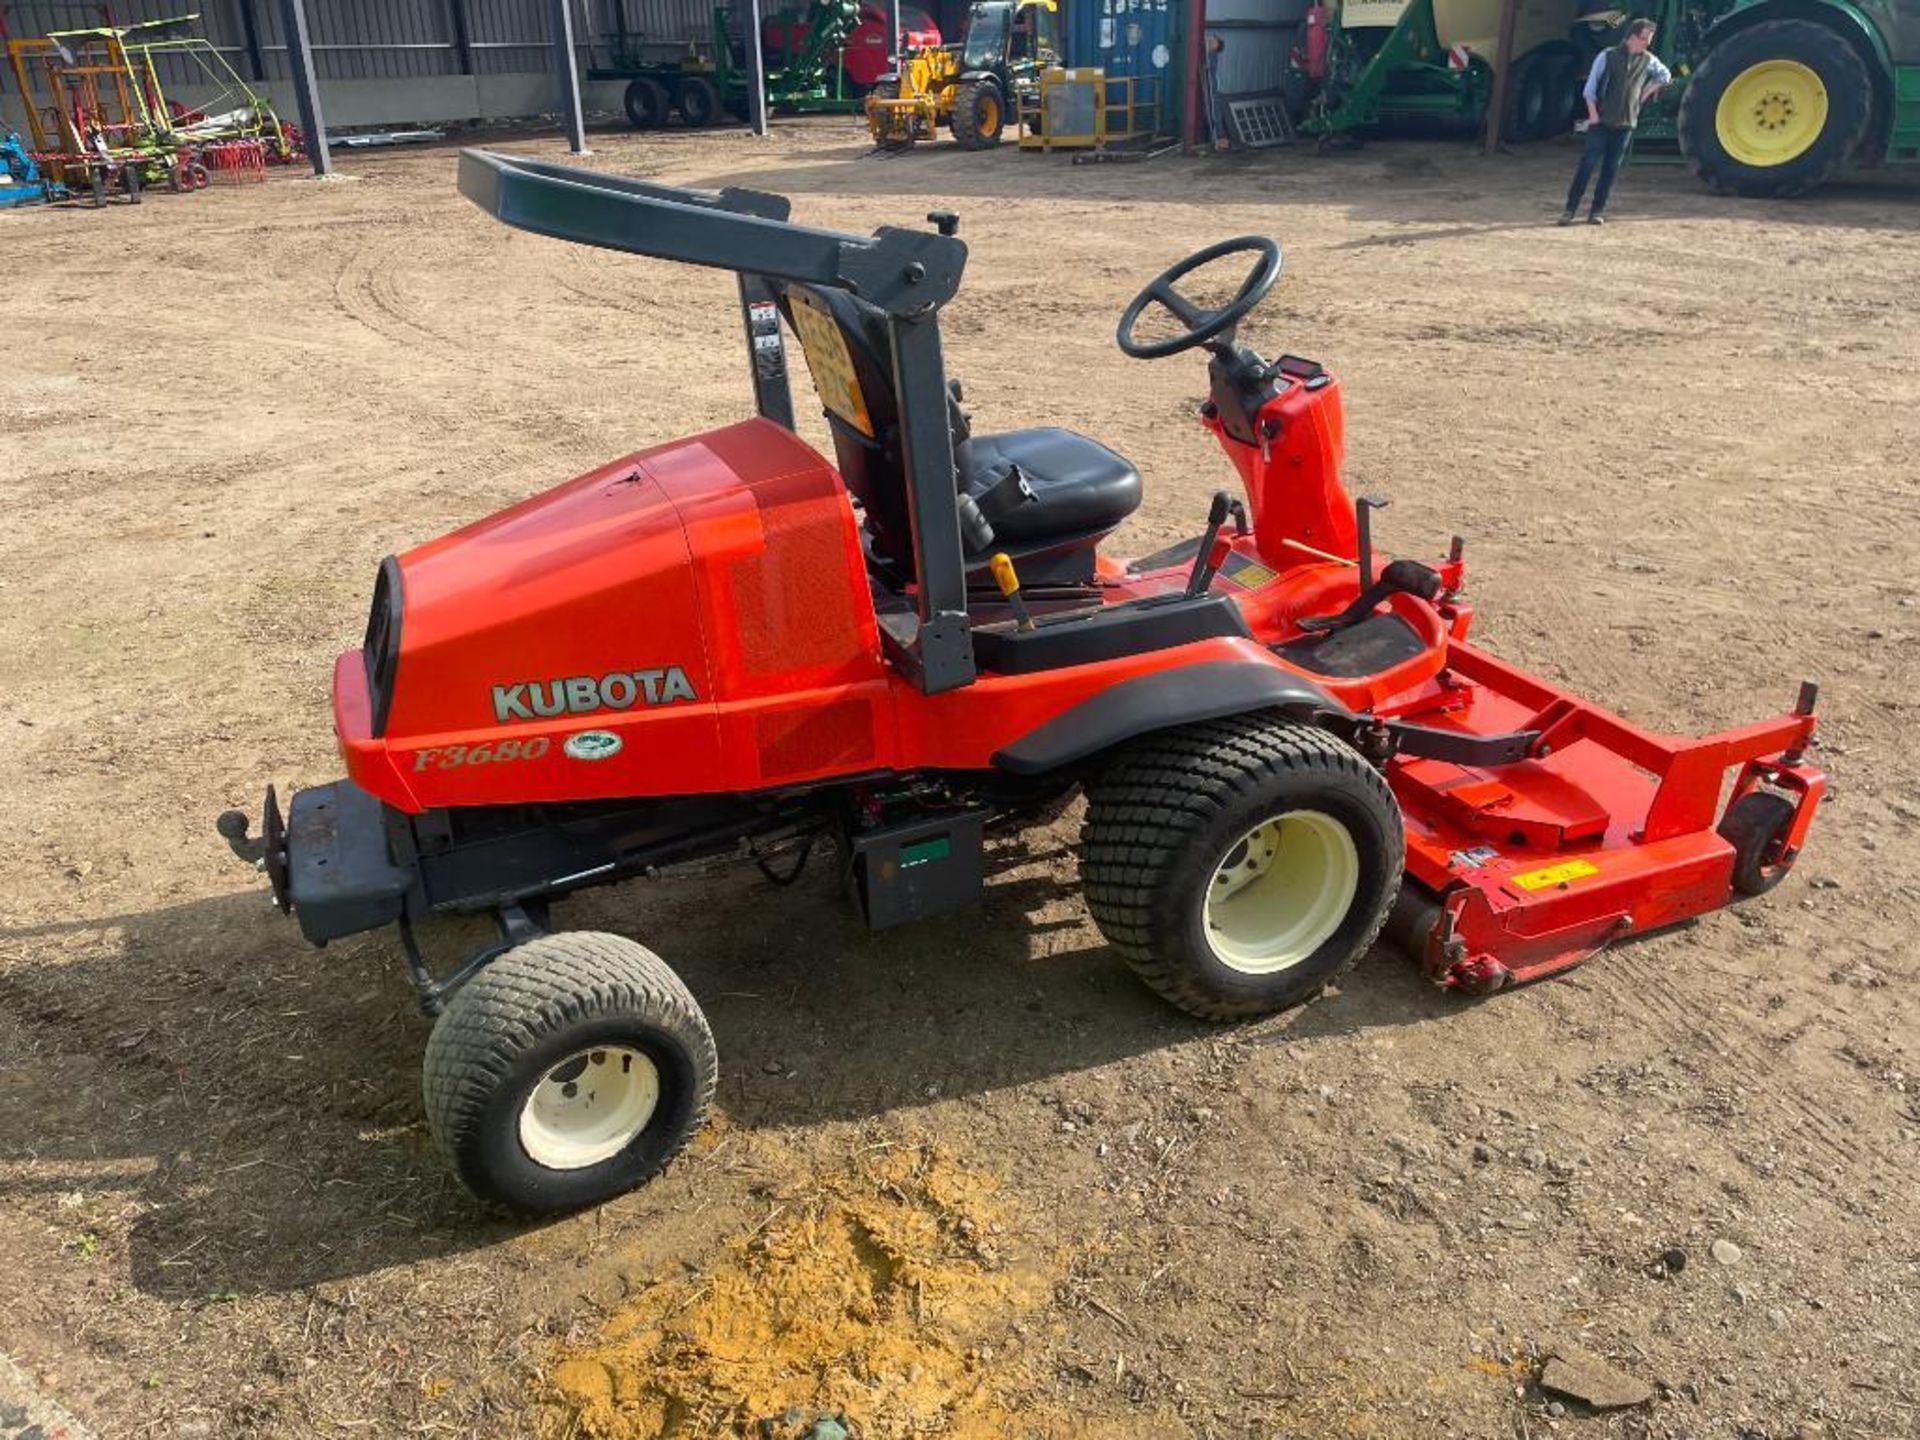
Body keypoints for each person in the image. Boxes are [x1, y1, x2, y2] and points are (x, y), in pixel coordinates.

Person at [1560, 18, 1671, 226]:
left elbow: (1665, 75)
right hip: (1601, 121)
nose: (1647, 43)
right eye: (1644, 38)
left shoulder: (1648, 60)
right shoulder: (1607, 56)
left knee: (1610, 169)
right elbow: (1590, 89)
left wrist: (1644, 94)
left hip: (1626, 124)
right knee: (1588, 165)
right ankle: (1570, 209)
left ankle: (1596, 211)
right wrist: (1593, 115)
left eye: (1649, 39)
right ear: (1632, 36)